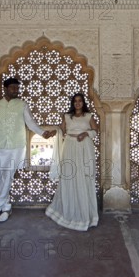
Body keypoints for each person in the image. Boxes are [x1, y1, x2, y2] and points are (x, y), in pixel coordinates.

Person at [0, 77, 55, 222]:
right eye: (13, 88)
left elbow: (30, 123)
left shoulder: (22, 105)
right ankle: (6, 207)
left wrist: (43, 133)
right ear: (6, 89)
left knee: (8, 176)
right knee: (0, 178)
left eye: (17, 88)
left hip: (16, 146)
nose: (15, 90)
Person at [46, 93, 99, 231]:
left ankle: (85, 215)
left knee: (83, 177)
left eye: (80, 101)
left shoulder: (89, 116)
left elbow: (96, 130)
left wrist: (86, 133)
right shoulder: (67, 117)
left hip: (84, 148)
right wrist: (53, 131)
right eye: (75, 101)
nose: (77, 103)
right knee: (69, 177)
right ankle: (69, 213)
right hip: (69, 146)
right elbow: (61, 130)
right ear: (72, 103)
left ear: (83, 103)